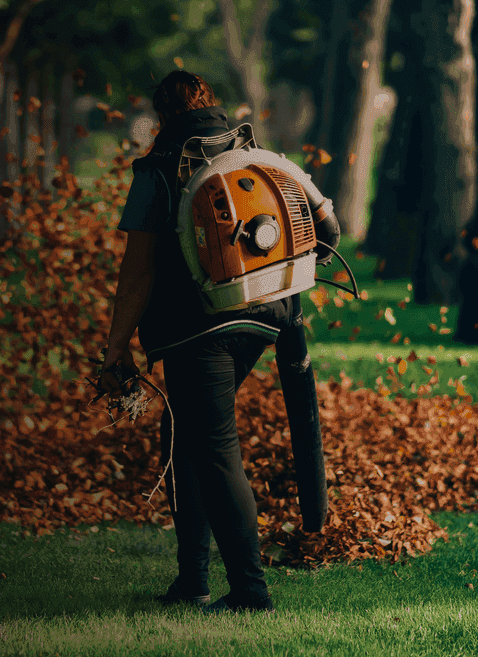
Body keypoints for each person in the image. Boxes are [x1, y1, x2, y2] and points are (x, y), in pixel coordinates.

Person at [97, 70, 330, 614]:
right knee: (182, 436)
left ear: (162, 117)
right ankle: (192, 581)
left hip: (197, 328)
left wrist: (115, 349)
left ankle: (251, 591)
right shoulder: (255, 155)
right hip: (267, 318)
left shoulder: (158, 170)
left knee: (215, 447)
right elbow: (325, 225)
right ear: (211, 107)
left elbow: (138, 272)